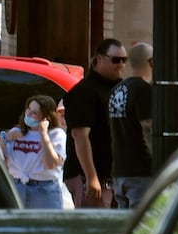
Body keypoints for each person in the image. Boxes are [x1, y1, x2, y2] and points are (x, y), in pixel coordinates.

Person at [63, 37, 125, 208]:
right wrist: (91, 177)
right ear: (99, 58)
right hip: (87, 178)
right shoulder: (84, 92)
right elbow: (80, 135)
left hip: (111, 177)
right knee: (92, 230)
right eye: (116, 60)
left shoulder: (119, 88)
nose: (121, 64)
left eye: (124, 60)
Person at [1, 94, 72, 209]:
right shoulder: (16, 132)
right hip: (18, 186)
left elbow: (51, 164)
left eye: (34, 113)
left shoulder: (56, 135)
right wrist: (5, 139)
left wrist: (43, 134)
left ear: (45, 117)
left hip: (44, 189)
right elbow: (1, 160)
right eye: (28, 109)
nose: (28, 114)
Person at [109, 41, 155, 208]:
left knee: (126, 226)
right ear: (151, 62)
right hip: (141, 170)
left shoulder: (117, 89)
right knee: (141, 227)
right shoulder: (145, 90)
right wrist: (159, 161)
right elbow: (148, 127)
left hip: (120, 170)